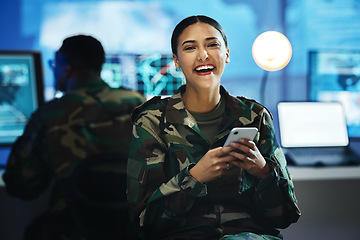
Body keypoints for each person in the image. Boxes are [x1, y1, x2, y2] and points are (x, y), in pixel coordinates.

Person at [127, 15, 301, 240]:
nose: (203, 55)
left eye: (212, 45)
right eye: (190, 48)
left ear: (226, 53)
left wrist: (263, 171)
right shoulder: (152, 121)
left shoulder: (255, 117)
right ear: (176, 60)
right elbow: (143, 222)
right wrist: (194, 178)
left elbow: (284, 217)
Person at [2, 34, 146, 239]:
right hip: (133, 228)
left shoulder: (51, 114)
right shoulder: (137, 102)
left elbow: (22, 185)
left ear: (66, 68)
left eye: (55, 64)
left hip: (72, 229)